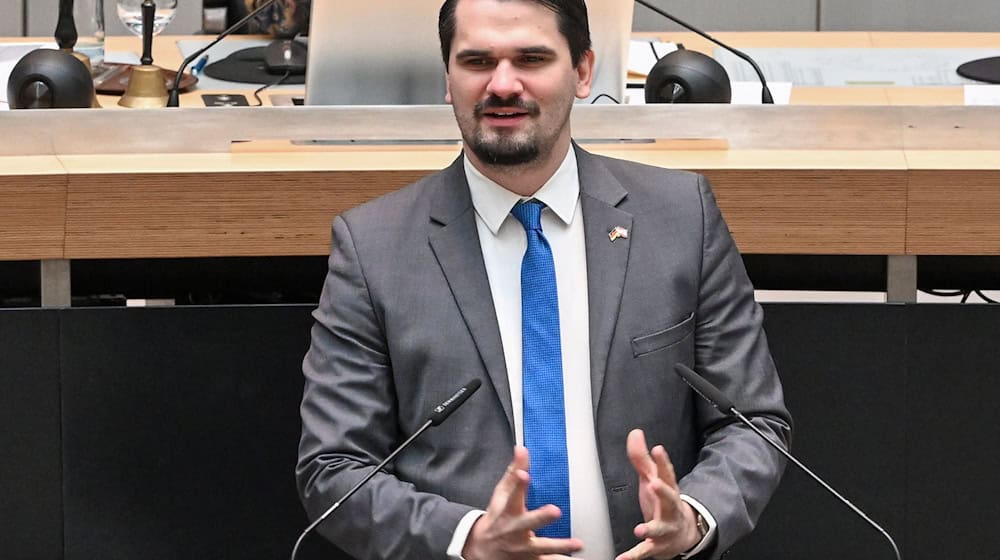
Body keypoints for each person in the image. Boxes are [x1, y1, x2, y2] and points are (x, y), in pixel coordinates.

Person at [296, 0, 792, 558]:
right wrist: (467, 539)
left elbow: (752, 423)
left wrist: (696, 518)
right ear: (448, 78)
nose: (503, 85)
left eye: (531, 58)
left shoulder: (680, 217)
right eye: (477, 61)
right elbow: (334, 469)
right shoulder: (374, 248)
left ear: (582, 72)